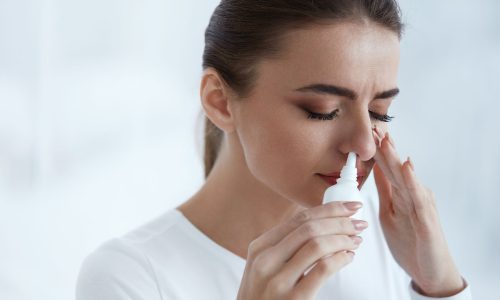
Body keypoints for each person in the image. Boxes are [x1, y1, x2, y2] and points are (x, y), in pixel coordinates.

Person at [76, 0, 473, 299]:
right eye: (324, 111)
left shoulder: (383, 237)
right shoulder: (129, 277)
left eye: (379, 113)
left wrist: (439, 284)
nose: (365, 144)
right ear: (220, 102)